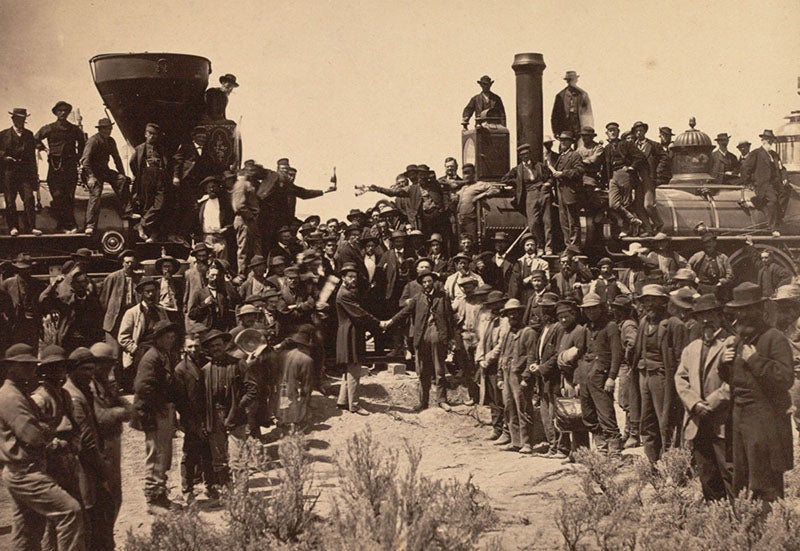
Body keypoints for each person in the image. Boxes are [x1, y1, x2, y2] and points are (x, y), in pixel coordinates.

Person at [0, 346, 86, 550]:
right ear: (11, 368)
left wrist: (46, 428)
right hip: (25, 472)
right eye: (26, 366)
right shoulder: (11, 396)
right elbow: (34, 436)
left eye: (32, 366)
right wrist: (50, 430)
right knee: (70, 511)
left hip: (23, 470)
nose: (32, 371)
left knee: (27, 532)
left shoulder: (19, 393)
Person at [719, 282, 794, 502]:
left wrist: (755, 360)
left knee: (765, 481)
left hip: (766, 420)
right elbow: (734, 379)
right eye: (739, 310)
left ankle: (771, 531)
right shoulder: (740, 340)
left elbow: (785, 378)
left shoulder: (774, 338)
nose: (742, 314)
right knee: (742, 480)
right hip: (740, 417)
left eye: (748, 309)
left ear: (759, 310)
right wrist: (724, 365)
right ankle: (748, 531)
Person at [674, 294, 733, 501]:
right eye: (701, 317)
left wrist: (712, 403)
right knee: (706, 473)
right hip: (697, 418)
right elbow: (680, 379)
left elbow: (734, 381)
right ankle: (714, 516)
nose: (706, 321)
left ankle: (737, 518)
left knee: (728, 471)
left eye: (710, 315)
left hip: (722, 420)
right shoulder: (692, 348)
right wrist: (695, 403)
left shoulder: (730, 343)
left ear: (719, 315)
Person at [64, 347, 114, 550]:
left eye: (92, 369)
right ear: (73, 370)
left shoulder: (84, 389)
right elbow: (87, 442)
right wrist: (103, 471)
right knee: (92, 517)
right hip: (84, 467)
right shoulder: (74, 396)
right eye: (85, 369)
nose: (89, 374)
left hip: (90, 465)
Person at [131, 320, 181, 511]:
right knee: (156, 455)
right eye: (168, 336)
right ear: (158, 339)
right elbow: (142, 387)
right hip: (152, 412)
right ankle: (153, 499)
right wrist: (158, 405)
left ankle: (161, 494)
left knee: (164, 454)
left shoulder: (163, 355)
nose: (172, 339)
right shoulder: (151, 357)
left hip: (160, 410)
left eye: (173, 336)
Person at [202, 330, 256, 487]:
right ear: (208, 349)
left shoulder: (238, 364)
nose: (216, 348)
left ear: (225, 345)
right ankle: (226, 490)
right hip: (215, 415)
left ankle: (241, 493)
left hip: (236, 414)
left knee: (238, 457)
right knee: (218, 457)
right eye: (212, 346)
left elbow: (252, 389)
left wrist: (239, 407)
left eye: (218, 345)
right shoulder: (206, 369)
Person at [89, 342, 132, 526]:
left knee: (115, 495)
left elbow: (122, 402)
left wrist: (123, 409)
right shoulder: (90, 386)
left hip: (113, 442)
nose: (109, 368)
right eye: (106, 364)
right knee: (106, 496)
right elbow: (101, 417)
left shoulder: (106, 382)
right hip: (101, 445)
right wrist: (120, 412)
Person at [630, 284, 674, 461]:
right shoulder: (643, 322)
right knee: (646, 420)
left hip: (661, 376)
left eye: (652, 300)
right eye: (646, 300)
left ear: (662, 302)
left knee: (665, 419)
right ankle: (652, 462)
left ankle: (670, 461)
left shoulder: (669, 323)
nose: (648, 304)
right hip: (643, 375)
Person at [577, 293, 623, 452]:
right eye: (587, 309)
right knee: (588, 414)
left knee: (606, 414)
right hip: (586, 375)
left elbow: (617, 354)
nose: (591, 312)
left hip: (601, 376)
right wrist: (579, 379)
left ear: (601, 308)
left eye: (594, 308)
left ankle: (615, 451)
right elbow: (581, 354)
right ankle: (602, 449)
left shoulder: (610, 327)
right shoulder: (586, 328)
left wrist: (611, 377)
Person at [527, 292, 569, 458]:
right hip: (543, 378)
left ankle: (562, 447)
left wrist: (543, 368)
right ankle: (553, 446)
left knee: (556, 413)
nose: (545, 312)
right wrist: (536, 366)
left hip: (554, 377)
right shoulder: (544, 328)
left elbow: (557, 353)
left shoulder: (558, 327)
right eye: (543, 308)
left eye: (549, 309)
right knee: (545, 414)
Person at [335, 263, 382, 414]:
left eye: (355, 276)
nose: (353, 279)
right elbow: (360, 313)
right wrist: (378, 323)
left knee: (349, 368)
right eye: (350, 277)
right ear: (343, 278)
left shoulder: (347, 291)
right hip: (350, 333)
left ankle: (342, 400)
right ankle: (354, 404)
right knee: (355, 368)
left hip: (349, 332)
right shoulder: (345, 294)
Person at [34, 101, 86, 233]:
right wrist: (44, 148)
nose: (63, 113)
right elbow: (34, 139)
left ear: (68, 113)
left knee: (69, 197)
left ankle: (68, 225)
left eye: (65, 111)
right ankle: (65, 224)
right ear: (56, 113)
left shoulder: (74, 129)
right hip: (55, 167)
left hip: (70, 168)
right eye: (60, 111)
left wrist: (78, 157)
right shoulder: (49, 128)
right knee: (57, 196)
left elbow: (82, 144)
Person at [80, 117, 136, 234]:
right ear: (100, 129)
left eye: (110, 128)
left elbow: (117, 159)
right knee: (96, 192)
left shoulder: (111, 141)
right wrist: (90, 177)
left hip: (104, 170)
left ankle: (127, 212)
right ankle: (90, 225)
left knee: (122, 180)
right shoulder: (93, 141)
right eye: (105, 129)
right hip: (91, 172)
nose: (108, 131)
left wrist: (123, 174)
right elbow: (85, 161)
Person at [117, 277, 170, 392]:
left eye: (153, 291)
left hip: (159, 350)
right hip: (139, 352)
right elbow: (123, 337)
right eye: (148, 292)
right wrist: (135, 350)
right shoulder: (132, 313)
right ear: (142, 293)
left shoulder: (161, 312)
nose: (151, 295)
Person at [740, 129, 789, 237]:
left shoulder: (775, 155)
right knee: (773, 200)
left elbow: (782, 169)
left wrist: (784, 178)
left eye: (771, 140)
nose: (770, 142)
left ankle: (776, 215)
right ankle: (773, 227)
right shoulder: (756, 153)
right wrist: (748, 182)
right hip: (763, 184)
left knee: (786, 191)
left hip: (776, 184)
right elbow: (745, 168)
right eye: (768, 140)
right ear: (763, 141)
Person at [475, 289, 510, 440]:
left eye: (497, 305)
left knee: (501, 397)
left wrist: (488, 359)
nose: (494, 309)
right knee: (492, 398)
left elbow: (501, 345)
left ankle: (506, 431)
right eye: (492, 306)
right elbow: (481, 341)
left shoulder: (505, 322)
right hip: (487, 365)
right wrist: (480, 359)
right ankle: (496, 428)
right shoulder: (488, 321)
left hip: (499, 364)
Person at [0, 108, 40, 236]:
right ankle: (13, 227)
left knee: (29, 198)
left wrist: (35, 176)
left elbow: (32, 158)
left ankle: (31, 227)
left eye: (22, 119)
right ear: (13, 119)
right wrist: (4, 157)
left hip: (25, 174)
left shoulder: (29, 135)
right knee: (10, 200)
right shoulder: (3, 135)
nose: (20, 121)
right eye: (17, 119)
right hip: (9, 173)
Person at [602, 122, 646, 237]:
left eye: (614, 130)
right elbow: (605, 166)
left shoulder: (626, 144)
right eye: (610, 130)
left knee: (626, 203)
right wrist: (604, 181)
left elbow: (640, 157)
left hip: (625, 174)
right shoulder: (607, 148)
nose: (612, 132)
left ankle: (626, 229)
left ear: (618, 132)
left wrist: (631, 167)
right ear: (607, 133)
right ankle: (632, 219)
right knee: (613, 204)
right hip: (613, 176)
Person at [130, 123, 170, 242]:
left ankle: (141, 224)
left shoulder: (161, 149)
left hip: (160, 177)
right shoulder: (140, 148)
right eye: (150, 134)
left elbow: (166, 163)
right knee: (147, 205)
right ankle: (152, 233)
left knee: (159, 204)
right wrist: (140, 175)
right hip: (146, 177)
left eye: (154, 134)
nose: (152, 136)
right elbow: (133, 163)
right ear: (145, 134)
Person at [100, 249, 142, 363]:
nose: (129, 265)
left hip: (130, 317)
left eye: (132, 262)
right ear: (122, 263)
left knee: (131, 350)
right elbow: (104, 300)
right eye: (127, 262)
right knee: (114, 353)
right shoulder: (113, 277)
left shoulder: (137, 279)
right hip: (115, 318)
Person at [2, 253, 45, 350]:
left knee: (31, 350)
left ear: (30, 268)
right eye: (21, 269)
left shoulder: (37, 284)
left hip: (32, 324)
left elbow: (42, 304)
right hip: (15, 324)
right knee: (15, 351)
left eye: (27, 269)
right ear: (17, 269)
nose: (24, 271)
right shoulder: (8, 283)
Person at [631, 121, 666, 235]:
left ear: (645, 131)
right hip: (636, 179)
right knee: (638, 207)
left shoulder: (654, 145)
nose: (639, 133)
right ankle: (648, 229)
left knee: (648, 205)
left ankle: (659, 224)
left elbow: (664, 158)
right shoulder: (631, 146)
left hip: (648, 178)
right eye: (636, 131)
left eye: (641, 131)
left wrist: (658, 172)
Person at [551, 131, 585, 247]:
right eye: (561, 140)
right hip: (561, 193)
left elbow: (579, 171)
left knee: (573, 221)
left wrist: (563, 173)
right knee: (564, 221)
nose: (563, 142)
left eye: (565, 140)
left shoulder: (575, 155)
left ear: (571, 142)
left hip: (570, 192)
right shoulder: (561, 156)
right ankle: (568, 245)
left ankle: (575, 246)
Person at [456, 163, 504, 239]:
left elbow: (496, 189)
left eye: (468, 173)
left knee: (472, 240)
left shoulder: (479, 185)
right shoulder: (463, 188)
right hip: (460, 220)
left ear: (474, 174)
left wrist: (482, 195)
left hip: (471, 219)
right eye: (464, 173)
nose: (466, 176)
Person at [232, 169, 263, 280]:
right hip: (245, 220)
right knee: (244, 248)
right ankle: (241, 274)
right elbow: (239, 205)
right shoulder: (241, 184)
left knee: (253, 247)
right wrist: (250, 216)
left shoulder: (246, 184)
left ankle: (251, 274)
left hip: (249, 220)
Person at [688, 233, 733, 298]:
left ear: (715, 243)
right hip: (700, 288)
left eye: (710, 242)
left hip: (717, 288)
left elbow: (730, 273)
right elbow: (688, 267)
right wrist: (694, 277)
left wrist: (722, 282)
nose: (708, 245)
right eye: (705, 243)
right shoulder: (697, 256)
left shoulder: (722, 257)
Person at [551, 71, 593, 138]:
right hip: (565, 131)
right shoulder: (560, 96)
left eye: (573, 80)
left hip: (579, 130)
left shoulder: (583, 95)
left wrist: (588, 132)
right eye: (569, 80)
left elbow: (588, 115)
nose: (571, 82)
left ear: (576, 80)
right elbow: (555, 115)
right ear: (567, 81)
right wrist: (555, 131)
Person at [508, 237, 550, 303]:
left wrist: (531, 278)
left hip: (535, 293)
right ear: (524, 247)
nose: (530, 247)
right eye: (527, 245)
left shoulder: (543, 263)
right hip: (521, 294)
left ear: (536, 246)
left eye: (532, 245)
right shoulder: (518, 262)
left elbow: (547, 279)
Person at [156, 255, 185, 323]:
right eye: (165, 267)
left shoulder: (178, 284)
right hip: (162, 312)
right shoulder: (157, 283)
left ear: (173, 268)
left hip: (175, 312)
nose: (167, 270)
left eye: (169, 267)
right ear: (161, 269)